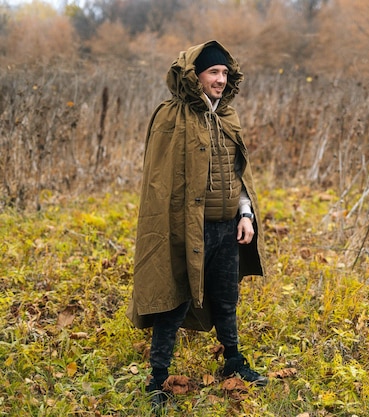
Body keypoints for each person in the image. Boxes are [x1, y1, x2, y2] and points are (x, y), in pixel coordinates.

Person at [126, 40, 268, 412]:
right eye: (213, 72)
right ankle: (158, 378)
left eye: (224, 72)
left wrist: (246, 215)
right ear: (195, 76)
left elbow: (239, 174)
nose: (220, 79)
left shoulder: (228, 116)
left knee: (226, 299)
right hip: (185, 229)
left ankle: (233, 362)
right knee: (172, 300)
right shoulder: (171, 116)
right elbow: (159, 182)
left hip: (226, 229)